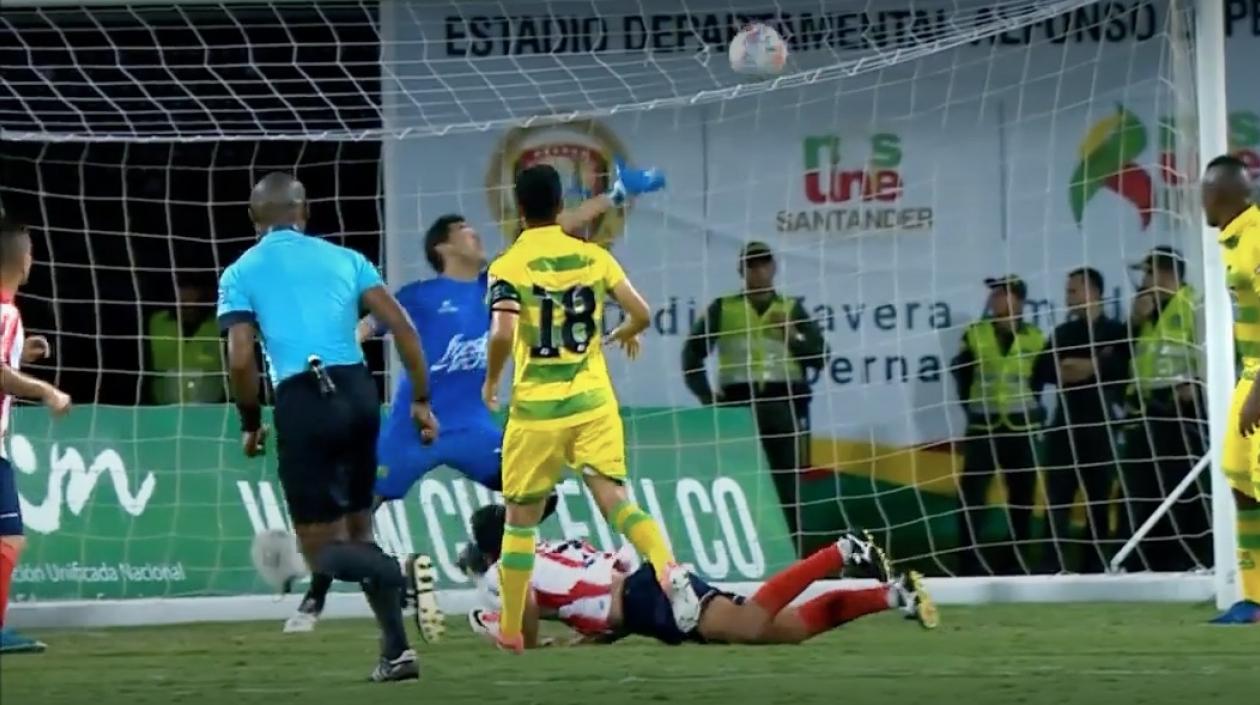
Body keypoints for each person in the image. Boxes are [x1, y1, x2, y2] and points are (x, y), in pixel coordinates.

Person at [217, 173, 438, 681]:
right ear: (305, 211)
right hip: (359, 394)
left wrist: (250, 421)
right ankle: (397, 652)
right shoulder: (347, 260)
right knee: (359, 530)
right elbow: (402, 327)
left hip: (303, 399)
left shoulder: (240, 272)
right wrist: (421, 400)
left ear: (255, 219)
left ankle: (397, 572)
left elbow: (241, 357)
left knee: (321, 550)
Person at [482, 162, 700, 654]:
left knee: (520, 522)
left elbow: (502, 331)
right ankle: (668, 568)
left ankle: (513, 629)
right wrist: (621, 334)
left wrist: (492, 380)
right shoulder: (594, 258)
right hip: (592, 404)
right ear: (561, 205)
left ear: (519, 209)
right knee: (617, 502)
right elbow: (641, 312)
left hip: (537, 411)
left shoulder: (508, 266)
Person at [459, 504, 936, 649]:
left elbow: (524, 630)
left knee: (750, 623)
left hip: (649, 599)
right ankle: (893, 596)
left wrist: (492, 628)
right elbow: (605, 594)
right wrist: (590, 640)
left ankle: (842, 549)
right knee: (786, 629)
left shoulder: (509, 570)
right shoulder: (541, 550)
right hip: (645, 593)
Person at [681, 242, 828, 555]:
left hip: (782, 404)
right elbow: (691, 354)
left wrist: (793, 338)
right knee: (738, 484)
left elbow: (821, 356)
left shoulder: (791, 309)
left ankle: (792, 559)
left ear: (774, 268)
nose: (759, 271)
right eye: (752, 265)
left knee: (787, 487)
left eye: (764, 264)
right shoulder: (723, 308)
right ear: (741, 270)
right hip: (738, 407)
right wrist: (708, 397)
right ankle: (742, 554)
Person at [0, 219, 72, 654]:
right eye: (30, 252)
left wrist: (21, 352)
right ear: (21, 259)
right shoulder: (6, 311)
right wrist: (47, 390)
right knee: (9, 539)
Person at [1115, 245, 1210, 574]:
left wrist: (1196, 384)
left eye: (1149, 272)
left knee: (1182, 489)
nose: (1144, 280)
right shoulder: (1144, 313)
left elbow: (1209, 353)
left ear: (1166, 273)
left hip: (1180, 411)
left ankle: (1189, 558)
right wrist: (1134, 321)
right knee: (1143, 488)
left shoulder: (1194, 305)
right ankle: (1145, 560)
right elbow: (1122, 358)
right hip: (1144, 412)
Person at [950, 275, 1049, 576]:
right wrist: (972, 410)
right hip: (984, 429)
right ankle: (969, 561)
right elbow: (962, 374)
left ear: (1018, 301)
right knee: (972, 498)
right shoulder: (975, 334)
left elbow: (1040, 379)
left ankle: (1016, 559)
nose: (993, 300)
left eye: (1001, 294)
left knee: (1022, 498)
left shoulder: (1035, 338)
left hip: (1021, 429)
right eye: (993, 295)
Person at [1034, 267, 1129, 574]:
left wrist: (1086, 366)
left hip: (1101, 428)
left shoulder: (1117, 331)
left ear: (1093, 291)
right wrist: (1094, 364)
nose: (1067, 297)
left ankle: (1096, 565)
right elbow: (1048, 371)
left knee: (1099, 502)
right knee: (1057, 503)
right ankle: (1051, 565)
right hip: (1064, 428)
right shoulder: (1063, 333)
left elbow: (1121, 370)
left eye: (1073, 290)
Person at [1202, 154, 1260, 624]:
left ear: (1223, 194)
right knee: (1241, 482)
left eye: (1206, 191)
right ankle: (1255, 598)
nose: (1200, 200)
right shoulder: (1233, 239)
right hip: (1251, 374)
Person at [147, 275, 225, 405]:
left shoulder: (220, 324)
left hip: (212, 410)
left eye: (194, 305)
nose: (188, 311)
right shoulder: (156, 322)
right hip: (163, 409)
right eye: (183, 305)